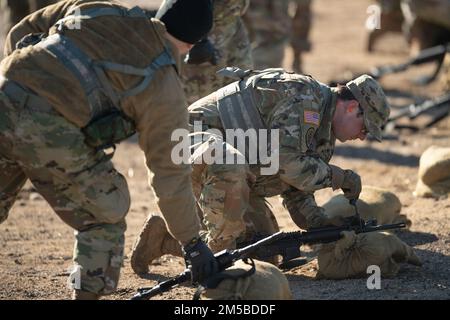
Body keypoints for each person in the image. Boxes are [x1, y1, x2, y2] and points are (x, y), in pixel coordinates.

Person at [0, 0, 217, 299]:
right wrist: (192, 242)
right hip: (50, 128)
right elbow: (170, 175)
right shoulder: (164, 88)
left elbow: (22, 30)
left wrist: (26, 79)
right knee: (107, 211)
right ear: (194, 45)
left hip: (5, 92)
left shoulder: (99, 10)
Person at [130, 67, 390, 274]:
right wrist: (339, 177)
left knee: (264, 251)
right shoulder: (304, 96)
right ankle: (215, 261)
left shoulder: (323, 133)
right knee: (227, 242)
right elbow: (290, 166)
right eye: (365, 128)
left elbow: (296, 189)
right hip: (184, 147)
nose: (362, 137)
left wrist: (323, 226)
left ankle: (163, 239)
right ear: (352, 107)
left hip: (224, 171)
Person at [181, 0, 253, 104]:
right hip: (202, 24)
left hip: (231, 21)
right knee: (201, 101)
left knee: (240, 90)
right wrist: (200, 38)